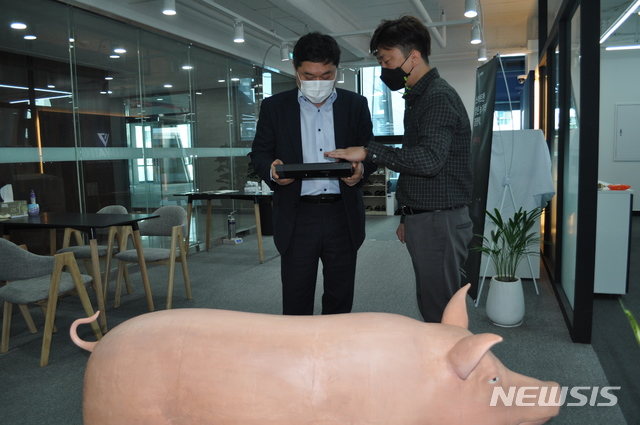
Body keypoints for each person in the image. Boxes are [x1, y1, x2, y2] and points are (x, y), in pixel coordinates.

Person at [325, 15, 473, 323]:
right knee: (431, 300)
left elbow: (430, 160)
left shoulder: (437, 98)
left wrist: (369, 152)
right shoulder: (419, 98)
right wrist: (408, 214)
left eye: (387, 60)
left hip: (439, 221)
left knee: (442, 311)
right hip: (428, 217)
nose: (384, 70)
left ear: (414, 57)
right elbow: (416, 159)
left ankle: (452, 369)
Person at [251, 32, 375, 316]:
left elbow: (370, 151)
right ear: (296, 71)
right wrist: (272, 171)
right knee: (296, 297)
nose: (317, 82)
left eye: (325, 75)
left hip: (342, 215)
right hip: (297, 216)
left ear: (336, 71)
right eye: (309, 75)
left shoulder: (355, 105)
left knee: (340, 296)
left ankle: (335, 354)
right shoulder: (275, 107)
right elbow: (258, 154)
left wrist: (361, 171)